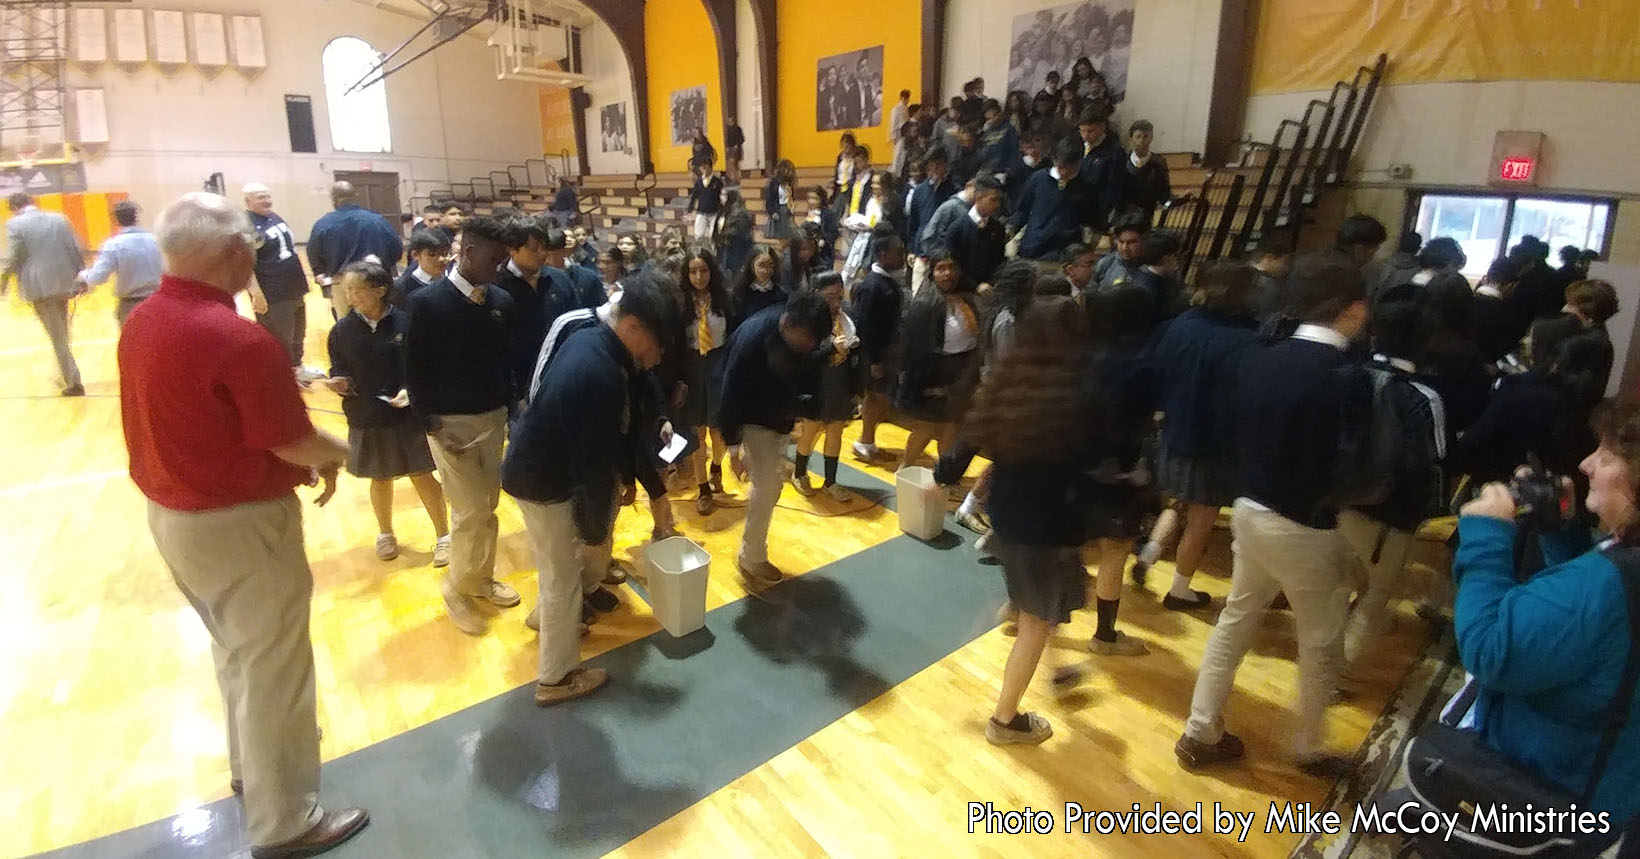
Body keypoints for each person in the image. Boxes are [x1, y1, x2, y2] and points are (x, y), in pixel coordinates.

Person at [120, 191, 368, 857]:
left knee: (235, 653)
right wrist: (350, 454)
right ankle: (286, 820)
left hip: (173, 516)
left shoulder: (142, 320)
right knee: (277, 672)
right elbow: (291, 440)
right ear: (234, 252)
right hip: (238, 523)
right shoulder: (235, 336)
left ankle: (248, 773)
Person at [1177, 252, 1370, 777]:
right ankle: (1307, 744)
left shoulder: (1258, 355)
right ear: (1352, 310)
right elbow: (1351, 460)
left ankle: (1200, 729)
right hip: (1305, 521)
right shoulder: (1346, 376)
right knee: (1321, 639)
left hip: (1249, 506)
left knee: (1236, 620)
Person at [1448, 405, 1640, 832]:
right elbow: (1592, 629)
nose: (1587, 464)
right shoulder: (1622, 560)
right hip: (1612, 783)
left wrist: (1485, 536)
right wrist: (1561, 529)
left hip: (1545, 793)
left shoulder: (1602, 587)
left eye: (1608, 458)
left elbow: (1489, 648)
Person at [503, 276, 678, 706]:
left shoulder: (597, 343)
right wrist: (596, 526)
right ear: (634, 326)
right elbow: (591, 463)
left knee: (556, 568)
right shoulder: (597, 371)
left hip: (538, 471)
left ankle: (544, 619)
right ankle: (556, 678)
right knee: (563, 577)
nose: (655, 360)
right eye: (656, 346)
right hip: (542, 480)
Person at [966, 297, 1100, 744]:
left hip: (1010, 512)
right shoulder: (1077, 394)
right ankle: (1004, 720)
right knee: (1037, 621)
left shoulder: (1008, 379)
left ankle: (1052, 662)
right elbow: (1082, 463)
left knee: (1033, 604)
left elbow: (977, 436)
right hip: (1046, 522)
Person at [403, 214, 521, 636]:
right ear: (468, 252)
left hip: (493, 420)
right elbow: (414, 369)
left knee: (486, 507)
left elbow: (505, 363)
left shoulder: (501, 304)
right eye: (495, 258)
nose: (500, 267)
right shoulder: (426, 304)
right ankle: (456, 588)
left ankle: (480, 579)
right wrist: (430, 422)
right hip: (449, 425)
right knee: (470, 510)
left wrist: (511, 406)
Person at [1335, 285, 1448, 673]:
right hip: (1390, 513)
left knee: (1335, 587)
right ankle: (1336, 672)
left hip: (1334, 500)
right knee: (1375, 594)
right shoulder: (1422, 396)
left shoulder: (1344, 374)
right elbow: (1433, 460)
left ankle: (1320, 664)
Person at [1145, 261, 1261, 610]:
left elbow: (1157, 373)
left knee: (1179, 501)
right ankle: (1180, 588)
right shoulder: (1247, 339)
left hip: (1174, 430)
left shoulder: (1177, 325)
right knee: (1201, 520)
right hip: (1214, 441)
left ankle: (1150, 552)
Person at [326, 261, 450, 564]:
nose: (352, 296)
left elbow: (425, 366)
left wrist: (411, 389)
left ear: (381, 290)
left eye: (359, 289)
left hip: (408, 415)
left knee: (422, 474)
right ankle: (385, 533)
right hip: (367, 415)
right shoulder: (341, 331)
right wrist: (339, 382)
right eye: (348, 290)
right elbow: (338, 368)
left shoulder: (407, 324)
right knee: (380, 478)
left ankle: (444, 536)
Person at [717, 289, 832, 590]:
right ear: (788, 325)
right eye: (806, 340)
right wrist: (733, 447)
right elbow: (730, 392)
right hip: (751, 418)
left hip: (778, 416)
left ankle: (751, 553)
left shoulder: (803, 334)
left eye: (814, 342)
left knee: (769, 486)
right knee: (768, 486)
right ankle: (751, 557)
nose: (810, 346)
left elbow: (803, 368)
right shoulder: (754, 337)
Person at [895, 250, 982, 470]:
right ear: (932, 272)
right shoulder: (924, 303)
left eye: (952, 268)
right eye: (941, 268)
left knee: (951, 427)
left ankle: (943, 472)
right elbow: (914, 349)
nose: (947, 274)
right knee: (927, 427)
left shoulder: (966, 299)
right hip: (933, 374)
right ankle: (906, 467)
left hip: (961, 371)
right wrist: (929, 384)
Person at [2, 192, 85, 395]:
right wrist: (82, 277)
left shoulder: (15, 225)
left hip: (39, 286)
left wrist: (2, 281)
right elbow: (75, 249)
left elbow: (11, 258)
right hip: (65, 281)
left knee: (57, 336)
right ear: (32, 202)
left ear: (13, 207)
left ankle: (73, 382)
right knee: (62, 332)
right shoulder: (59, 218)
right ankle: (62, 372)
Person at [791, 273, 860, 501]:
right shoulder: (807, 321)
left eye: (840, 297)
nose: (836, 303)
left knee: (835, 431)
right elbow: (806, 358)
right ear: (816, 294)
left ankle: (830, 480)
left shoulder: (844, 320)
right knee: (810, 431)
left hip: (839, 384)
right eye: (830, 297)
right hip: (816, 385)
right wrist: (831, 347)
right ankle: (799, 472)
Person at [680, 249, 735, 515]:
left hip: (719, 363)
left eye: (703, 271)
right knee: (697, 431)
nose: (699, 276)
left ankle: (716, 466)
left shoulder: (724, 300)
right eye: (693, 271)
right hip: (691, 367)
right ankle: (703, 488)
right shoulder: (680, 302)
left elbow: (734, 334)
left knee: (718, 429)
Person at [239, 184, 313, 371]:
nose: (266, 201)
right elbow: (244, 264)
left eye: (268, 196)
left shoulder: (274, 217)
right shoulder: (246, 225)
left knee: (298, 334)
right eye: (260, 197)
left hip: (294, 287)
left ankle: (297, 369)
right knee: (279, 339)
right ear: (248, 201)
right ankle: (280, 376)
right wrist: (256, 293)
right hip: (273, 293)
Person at [307, 181, 403, 321]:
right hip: (376, 284)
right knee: (383, 325)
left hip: (344, 286)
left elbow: (314, 254)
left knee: (348, 331)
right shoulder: (377, 220)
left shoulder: (323, 223)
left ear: (333, 199)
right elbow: (397, 250)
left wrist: (321, 272)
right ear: (355, 196)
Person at [850, 235, 908, 463]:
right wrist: (874, 360)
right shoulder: (873, 286)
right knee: (875, 397)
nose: (902, 257)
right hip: (877, 352)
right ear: (883, 254)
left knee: (880, 398)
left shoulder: (886, 281)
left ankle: (868, 441)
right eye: (898, 252)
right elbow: (866, 325)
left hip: (885, 350)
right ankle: (865, 441)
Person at [78, 199, 162, 328]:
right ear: (136, 217)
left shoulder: (113, 245)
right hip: (159, 302)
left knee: (132, 346)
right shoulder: (157, 240)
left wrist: (84, 275)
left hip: (130, 306)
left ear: (116, 220)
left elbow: (97, 278)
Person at [1009, 140, 1095, 261]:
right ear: (1055, 161)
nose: (1064, 172)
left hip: (1064, 253)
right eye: (1060, 167)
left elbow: (1089, 220)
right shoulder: (1039, 179)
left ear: (1079, 163)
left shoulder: (1085, 186)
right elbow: (1022, 209)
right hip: (1033, 246)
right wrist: (1011, 231)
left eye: (1069, 168)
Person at [906, 148, 958, 291]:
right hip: (921, 254)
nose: (934, 168)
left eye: (939, 164)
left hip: (943, 257)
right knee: (918, 296)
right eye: (931, 164)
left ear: (946, 165)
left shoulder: (953, 191)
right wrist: (911, 250)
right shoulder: (920, 190)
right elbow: (913, 224)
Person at [943, 177, 1008, 288]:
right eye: (993, 200)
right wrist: (975, 286)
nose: (997, 205)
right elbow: (954, 265)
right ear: (978, 198)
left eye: (999, 201)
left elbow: (999, 261)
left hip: (992, 288)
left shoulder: (998, 228)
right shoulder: (957, 229)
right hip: (963, 289)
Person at [1076, 107, 1126, 232]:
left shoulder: (1114, 152)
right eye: (1082, 131)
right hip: (1075, 207)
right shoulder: (1076, 146)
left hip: (1097, 213)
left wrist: (1101, 210)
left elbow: (1113, 187)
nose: (1086, 135)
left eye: (1090, 131)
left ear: (1102, 126)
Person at [1120, 120, 1172, 226]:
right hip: (1122, 216)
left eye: (1146, 136)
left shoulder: (1159, 163)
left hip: (1146, 217)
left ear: (1151, 138)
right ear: (1131, 138)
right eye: (1138, 136)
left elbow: (1164, 195)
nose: (1142, 140)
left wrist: (1180, 199)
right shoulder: (1121, 160)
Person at [1247, 234, 1295, 321]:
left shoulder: (1244, 275)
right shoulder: (1267, 283)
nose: (1289, 266)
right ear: (1269, 258)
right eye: (1286, 261)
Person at [1093, 214, 1147, 291]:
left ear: (1144, 241)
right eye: (1121, 242)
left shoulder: (1151, 270)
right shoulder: (1106, 263)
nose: (1125, 248)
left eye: (1131, 242)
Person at [738, 245, 790, 322]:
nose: (766, 270)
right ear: (752, 266)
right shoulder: (740, 293)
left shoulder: (781, 294)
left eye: (771, 265)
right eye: (761, 265)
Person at [714, 190, 754, 279]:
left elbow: (741, 233)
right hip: (725, 248)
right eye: (720, 194)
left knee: (736, 275)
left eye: (724, 194)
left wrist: (724, 237)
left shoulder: (740, 212)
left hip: (736, 249)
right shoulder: (724, 210)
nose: (721, 197)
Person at [1374, 231, 1422, 301]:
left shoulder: (1385, 265)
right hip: (1406, 308)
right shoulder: (1420, 269)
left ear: (1399, 245)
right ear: (1418, 248)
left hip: (1383, 306)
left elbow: (1377, 290)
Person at [686, 157, 724, 244]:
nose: (705, 171)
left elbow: (722, 198)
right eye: (703, 168)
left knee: (713, 237)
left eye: (707, 168)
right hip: (702, 212)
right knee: (698, 235)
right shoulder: (698, 183)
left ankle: (716, 254)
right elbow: (694, 197)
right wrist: (690, 209)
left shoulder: (718, 182)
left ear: (711, 168)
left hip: (715, 213)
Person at [763, 160, 798, 241]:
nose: (789, 172)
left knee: (789, 235)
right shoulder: (773, 184)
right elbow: (769, 199)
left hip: (787, 210)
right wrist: (772, 212)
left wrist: (792, 207)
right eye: (787, 170)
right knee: (781, 236)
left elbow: (791, 197)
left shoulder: (789, 184)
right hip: (778, 210)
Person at [724, 118, 745, 186]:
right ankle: (733, 177)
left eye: (732, 120)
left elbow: (741, 139)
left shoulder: (738, 129)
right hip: (730, 148)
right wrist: (727, 146)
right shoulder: (728, 129)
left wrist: (737, 145)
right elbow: (727, 139)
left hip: (736, 148)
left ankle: (737, 178)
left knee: (734, 163)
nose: (730, 122)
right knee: (730, 164)